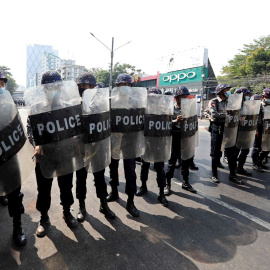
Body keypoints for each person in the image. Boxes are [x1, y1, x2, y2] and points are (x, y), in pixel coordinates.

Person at [27, 71, 78, 237]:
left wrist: (76, 140)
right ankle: (43, 218)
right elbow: (30, 129)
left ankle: (67, 212)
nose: (52, 89)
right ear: (43, 88)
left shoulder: (66, 106)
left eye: (56, 85)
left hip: (64, 154)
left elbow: (75, 128)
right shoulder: (36, 108)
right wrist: (36, 145)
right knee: (43, 189)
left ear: (60, 87)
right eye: (49, 86)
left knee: (66, 186)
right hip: (44, 155)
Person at [75, 73, 115, 221]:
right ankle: (81, 205)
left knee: (99, 177)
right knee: (81, 178)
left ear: (93, 87)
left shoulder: (101, 104)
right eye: (81, 87)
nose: (84, 89)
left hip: (98, 147)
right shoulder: (74, 104)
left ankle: (103, 204)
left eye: (87, 86)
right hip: (81, 148)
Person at [106, 73, 141, 217]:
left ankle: (130, 201)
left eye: (127, 85)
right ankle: (114, 192)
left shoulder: (136, 102)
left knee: (130, 171)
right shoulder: (109, 101)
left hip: (130, 141)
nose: (124, 88)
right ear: (116, 86)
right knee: (113, 167)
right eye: (121, 85)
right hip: (114, 139)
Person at [0, 71, 26, 246]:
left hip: (9, 154)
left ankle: (18, 228)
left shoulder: (8, 103)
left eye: (1, 83)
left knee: (15, 193)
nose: (0, 86)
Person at [136, 87, 168, 207]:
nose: (153, 100)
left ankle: (161, 193)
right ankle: (143, 186)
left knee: (160, 168)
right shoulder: (143, 110)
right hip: (147, 142)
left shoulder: (164, 110)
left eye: (155, 98)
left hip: (159, 143)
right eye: (151, 98)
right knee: (145, 165)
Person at [164, 86, 197, 195]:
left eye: (186, 96)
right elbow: (167, 124)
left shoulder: (189, 108)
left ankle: (186, 182)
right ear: (177, 98)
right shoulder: (171, 109)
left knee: (186, 160)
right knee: (172, 162)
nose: (184, 99)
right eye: (182, 96)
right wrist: (176, 121)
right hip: (175, 136)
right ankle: (167, 184)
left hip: (186, 136)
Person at [208, 83, 242, 184]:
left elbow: (236, 114)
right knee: (216, 153)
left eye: (228, 89)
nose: (228, 91)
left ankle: (233, 175)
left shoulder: (230, 102)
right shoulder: (213, 102)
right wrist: (227, 115)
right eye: (226, 90)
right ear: (221, 91)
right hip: (217, 129)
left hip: (229, 130)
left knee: (231, 153)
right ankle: (214, 175)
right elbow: (214, 115)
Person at [234, 87, 252, 176]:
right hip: (237, 131)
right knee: (236, 151)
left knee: (245, 150)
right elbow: (230, 118)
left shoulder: (247, 105)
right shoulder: (234, 106)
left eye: (248, 95)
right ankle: (233, 169)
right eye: (246, 95)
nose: (247, 96)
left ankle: (240, 168)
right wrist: (240, 119)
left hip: (245, 131)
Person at [251, 88, 270, 172]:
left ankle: (259, 162)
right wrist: (255, 130)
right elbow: (254, 119)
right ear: (263, 97)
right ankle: (255, 164)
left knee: (267, 148)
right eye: (267, 97)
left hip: (267, 130)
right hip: (259, 129)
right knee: (256, 148)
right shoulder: (258, 106)